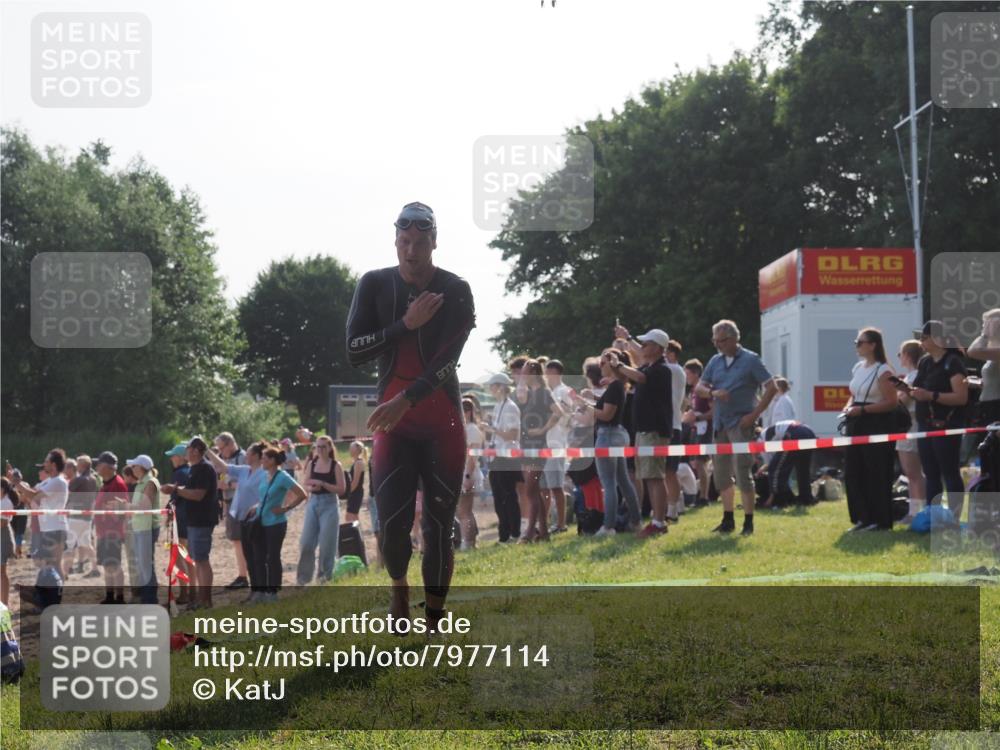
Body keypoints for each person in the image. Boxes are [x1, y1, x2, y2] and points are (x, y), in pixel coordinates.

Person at [345, 201, 476, 631]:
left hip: (441, 422)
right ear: (395, 240)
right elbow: (354, 350)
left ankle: (434, 619)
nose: (412, 251)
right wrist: (405, 324)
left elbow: (447, 362)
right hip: (394, 425)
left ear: (434, 242)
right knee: (393, 526)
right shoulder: (374, 284)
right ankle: (399, 587)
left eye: (421, 242)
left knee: (439, 525)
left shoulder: (455, 289)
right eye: (404, 241)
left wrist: (406, 399)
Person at [695, 320, 777, 536]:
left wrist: (754, 415)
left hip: (741, 424)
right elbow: (699, 387)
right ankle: (728, 519)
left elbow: (771, 387)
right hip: (720, 424)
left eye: (721, 341)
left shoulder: (751, 360)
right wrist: (713, 393)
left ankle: (748, 522)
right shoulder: (715, 361)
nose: (717, 345)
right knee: (721, 474)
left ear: (733, 339)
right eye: (714, 341)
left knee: (742, 472)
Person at [609, 328, 674, 538]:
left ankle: (658, 522)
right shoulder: (650, 365)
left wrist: (619, 365)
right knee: (649, 476)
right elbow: (639, 359)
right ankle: (657, 520)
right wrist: (627, 338)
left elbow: (639, 376)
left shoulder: (661, 370)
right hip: (645, 430)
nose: (642, 347)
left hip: (654, 430)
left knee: (655, 477)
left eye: (646, 344)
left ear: (657, 348)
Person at [904, 321, 969, 519]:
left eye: (924, 338)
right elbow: (917, 390)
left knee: (949, 472)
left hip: (947, 425)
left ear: (938, 339)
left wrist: (931, 396)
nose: (921, 342)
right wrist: (907, 390)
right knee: (931, 473)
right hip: (925, 425)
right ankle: (933, 518)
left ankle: (954, 518)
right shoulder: (925, 362)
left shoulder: (953, 362)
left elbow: (961, 397)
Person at [574, 349, 641, 535]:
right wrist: (590, 400)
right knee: (623, 482)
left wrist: (585, 405)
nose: (600, 366)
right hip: (615, 435)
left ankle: (609, 526)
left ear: (612, 365)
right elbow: (607, 407)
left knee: (609, 484)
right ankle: (635, 521)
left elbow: (606, 415)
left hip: (608, 436)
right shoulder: (617, 386)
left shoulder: (615, 386)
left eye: (603, 363)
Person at [841, 327, 899, 531]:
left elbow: (892, 402)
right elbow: (854, 394)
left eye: (860, 342)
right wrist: (848, 408)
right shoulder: (858, 367)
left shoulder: (884, 370)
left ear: (873, 345)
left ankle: (880, 520)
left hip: (877, 424)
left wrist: (863, 410)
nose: (856, 346)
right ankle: (862, 518)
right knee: (853, 471)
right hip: (856, 423)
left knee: (875, 471)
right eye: (856, 342)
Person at [160, 438, 218, 610]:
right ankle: (201, 599)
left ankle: (205, 600)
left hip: (201, 520)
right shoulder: (195, 469)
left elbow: (198, 494)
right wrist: (176, 490)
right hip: (194, 520)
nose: (186, 452)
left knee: (201, 560)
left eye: (188, 449)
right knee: (197, 560)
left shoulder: (204, 468)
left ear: (196, 451)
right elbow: (191, 491)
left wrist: (175, 490)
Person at [206, 441, 267, 601]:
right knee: (249, 556)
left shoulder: (264, 473)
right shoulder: (244, 470)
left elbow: (268, 495)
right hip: (242, 519)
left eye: (249, 453)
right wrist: (208, 451)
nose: (245, 455)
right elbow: (223, 467)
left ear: (256, 456)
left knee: (258, 556)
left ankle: (263, 591)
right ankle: (255, 591)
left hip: (257, 520)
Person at [246, 444, 307, 601]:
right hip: (261, 521)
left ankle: (272, 592)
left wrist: (286, 508)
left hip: (276, 524)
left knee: (272, 557)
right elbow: (264, 497)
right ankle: (260, 592)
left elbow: (302, 494)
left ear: (273, 461)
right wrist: (257, 506)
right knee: (258, 557)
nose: (262, 461)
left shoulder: (283, 477)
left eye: (264, 458)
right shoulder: (265, 476)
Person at [514, 358, 564, 543]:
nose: (521, 375)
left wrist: (543, 429)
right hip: (526, 445)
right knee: (534, 490)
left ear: (534, 372)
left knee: (530, 490)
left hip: (537, 445)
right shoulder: (529, 393)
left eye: (524, 371)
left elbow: (558, 412)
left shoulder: (544, 392)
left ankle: (529, 532)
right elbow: (519, 396)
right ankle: (543, 532)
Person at [296, 435, 347, 585]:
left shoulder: (336, 465)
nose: (320, 450)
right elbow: (305, 483)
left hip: (330, 504)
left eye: (323, 447)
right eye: (318, 446)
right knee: (306, 542)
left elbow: (342, 490)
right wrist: (312, 487)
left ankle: (324, 578)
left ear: (330, 448)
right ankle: (303, 579)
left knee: (327, 544)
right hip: (313, 503)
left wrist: (323, 484)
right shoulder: (312, 463)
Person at [16, 449, 70, 571]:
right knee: (49, 566)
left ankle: (58, 584)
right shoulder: (50, 481)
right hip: (49, 528)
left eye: (46, 461)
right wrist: (18, 483)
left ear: (53, 465)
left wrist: (17, 483)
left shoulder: (58, 481)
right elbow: (31, 493)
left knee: (54, 566)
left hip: (55, 528)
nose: (44, 464)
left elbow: (34, 495)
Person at [484, 373, 522, 544]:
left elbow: (513, 435)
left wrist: (492, 429)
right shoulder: (499, 406)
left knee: (508, 496)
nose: (490, 389)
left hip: (507, 456)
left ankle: (514, 533)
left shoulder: (511, 407)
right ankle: (504, 535)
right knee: (499, 498)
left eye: (492, 386)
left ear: (500, 387)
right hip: (497, 456)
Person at [895, 339, 926, 523]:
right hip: (910, 426)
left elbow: (902, 401)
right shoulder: (912, 376)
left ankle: (916, 513)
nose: (899, 358)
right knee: (913, 473)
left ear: (907, 355)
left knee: (913, 474)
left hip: (910, 426)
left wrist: (897, 393)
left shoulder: (913, 377)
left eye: (900, 354)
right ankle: (915, 511)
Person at [91, 452, 129, 604]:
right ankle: (109, 596)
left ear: (107, 467)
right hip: (104, 532)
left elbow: (123, 510)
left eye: (99, 464)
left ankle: (119, 597)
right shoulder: (106, 483)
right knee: (108, 566)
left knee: (114, 565)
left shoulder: (117, 484)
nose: (96, 467)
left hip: (112, 532)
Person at [214, 432, 249, 591]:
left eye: (222, 448)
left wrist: (227, 485)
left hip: (242, 503)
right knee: (236, 540)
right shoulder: (224, 459)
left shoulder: (244, 458)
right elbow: (222, 477)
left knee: (241, 540)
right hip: (230, 502)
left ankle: (243, 576)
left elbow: (249, 482)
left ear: (231, 444)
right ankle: (243, 574)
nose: (220, 452)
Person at [542, 360, 574, 533]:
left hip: (557, 442)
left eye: (547, 372)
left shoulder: (564, 391)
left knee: (556, 486)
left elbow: (563, 414)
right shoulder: (550, 392)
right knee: (546, 488)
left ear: (554, 372)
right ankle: (545, 523)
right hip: (547, 443)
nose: (545, 375)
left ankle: (561, 524)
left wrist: (541, 428)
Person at [125, 455, 160, 604]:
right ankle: (147, 598)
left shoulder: (150, 482)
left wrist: (124, 506)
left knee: (145, 565)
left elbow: (144, 506)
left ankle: (150, 599)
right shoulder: (143, 482)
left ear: (140, 468)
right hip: (140, 527)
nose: (132, 469)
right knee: (143, 564)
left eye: (134, 466)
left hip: (146, 528)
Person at [161, 444, 192, 604]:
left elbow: (176, 497)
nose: (171, 459)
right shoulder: (189, 471)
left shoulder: (179, 473)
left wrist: (169, 512)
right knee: (187, 557)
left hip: (180, 518)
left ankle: (185, 593)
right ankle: (190, 591)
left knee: (179, 557)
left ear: (180, 457)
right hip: (190, 518)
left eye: (173, 456)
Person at [761, 420, 817, 507]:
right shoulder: (768, 431)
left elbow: (771, 466)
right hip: (809, 432)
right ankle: (806, 498)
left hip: (794, 434)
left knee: (775, 470)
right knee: (802, 468)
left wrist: (760, 470)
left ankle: (775, 500)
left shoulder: (760, 440)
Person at [682, 359, 713, 505]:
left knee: (701, 462)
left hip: (706, 428)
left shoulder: (704, 388)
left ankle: (704, 497)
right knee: (697, 463)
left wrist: (699, 417)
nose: (686, 377)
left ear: (695, 373)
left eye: (687, 373)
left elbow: (714, 410)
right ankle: (701, 494)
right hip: (697, 428)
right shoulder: (693, 390)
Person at [66, 455, 99, 578]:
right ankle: (95, 568)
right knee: (86, 544)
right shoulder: (93, 479)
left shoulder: (79, 480)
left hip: (76, 515)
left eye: (78, 464)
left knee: (69, 544)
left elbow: (68, 491)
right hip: (87, 516)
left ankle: (67, 570)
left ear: (82, 465)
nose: (76, 466)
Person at [969, 308, 1000, 425]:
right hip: (987, 406)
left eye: (986, 324)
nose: (983, 327)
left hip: (996, 407)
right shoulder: (994, 349)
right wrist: (981, 382)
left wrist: (984, 335)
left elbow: (973, 351)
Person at [459, 399, 483, 550]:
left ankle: (467, 543)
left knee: (464, 511)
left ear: (467, 412)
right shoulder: (466, 428)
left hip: (468, 472)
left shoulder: (472, 430)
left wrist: (467, 476)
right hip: (465, 472)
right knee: (465, 511)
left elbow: (472, 456)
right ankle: (470, 542)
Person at [344, 441, 368, 524]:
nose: (349, 450)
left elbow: (355, 482)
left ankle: (355, 532)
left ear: (357, 450)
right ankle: (357, 532)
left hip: (356, 493)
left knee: (350, 517)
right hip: (355, 492)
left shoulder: (358, 463)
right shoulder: (356, 462)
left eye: (351, 448)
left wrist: (346, 493)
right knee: (353, 517)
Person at [0, 478, 15, 604]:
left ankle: (4, 604)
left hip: (3, 537)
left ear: (2, 489)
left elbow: (2, 523)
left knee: (2, 572)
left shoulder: (5, 502)